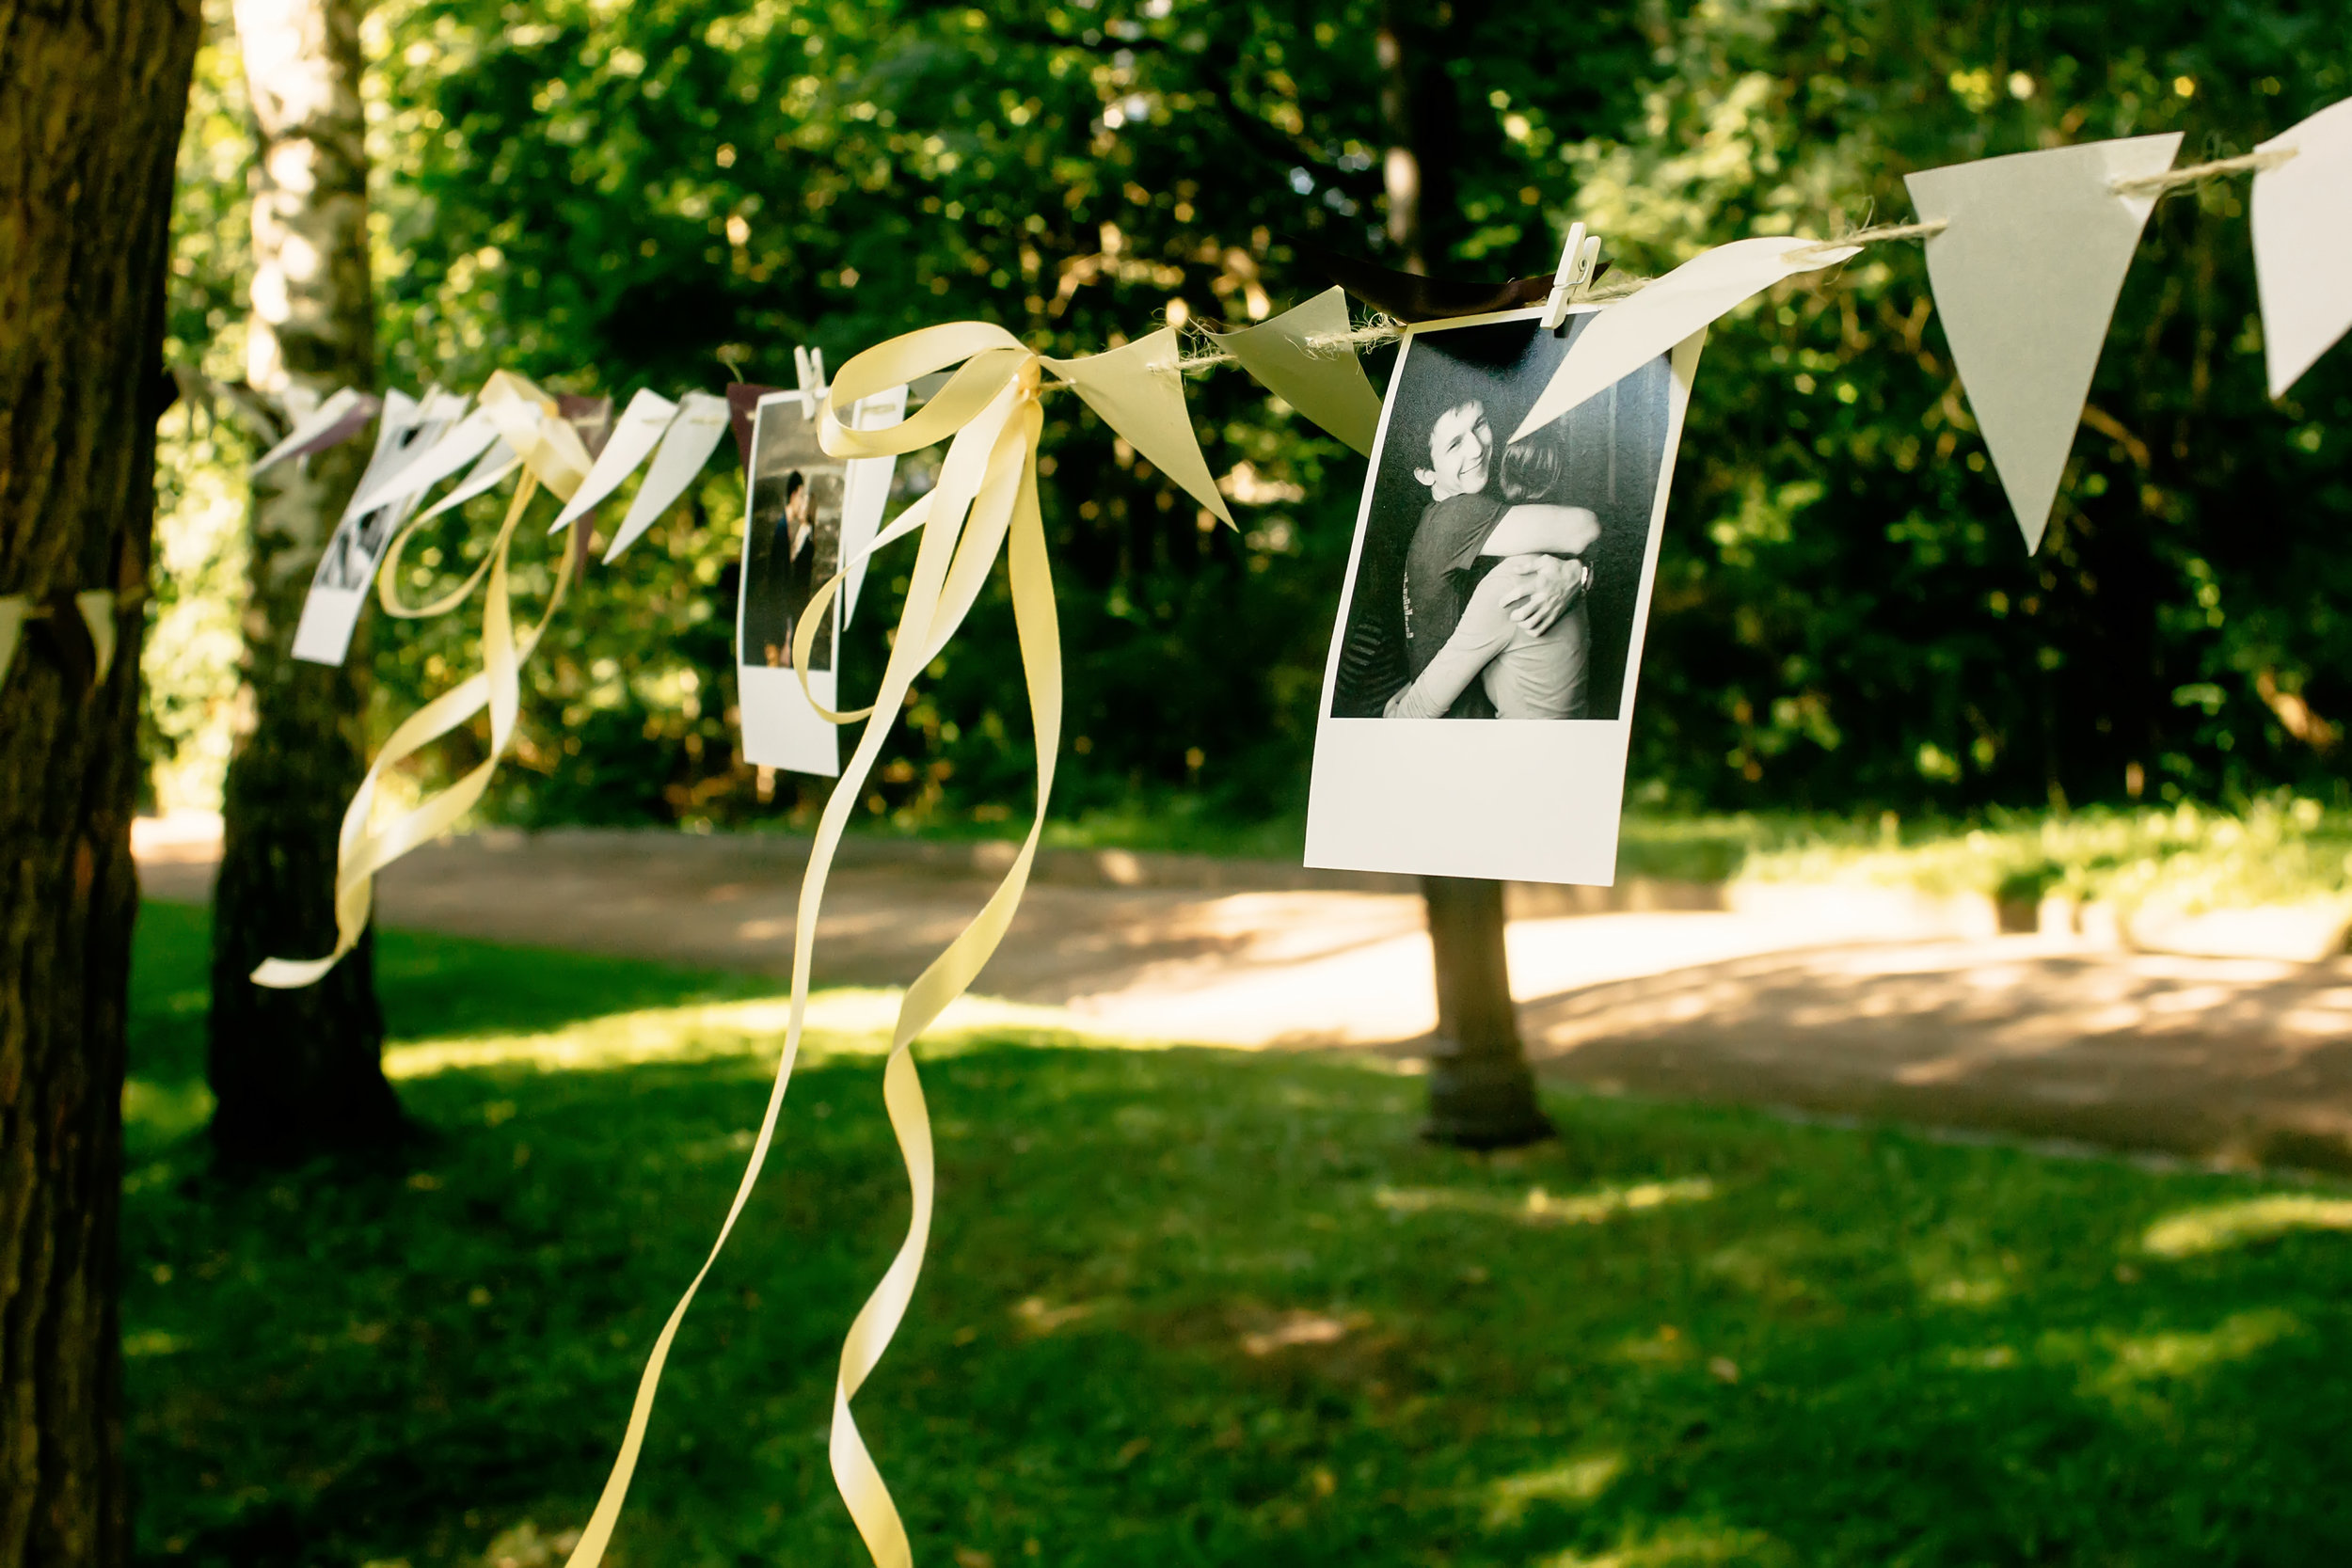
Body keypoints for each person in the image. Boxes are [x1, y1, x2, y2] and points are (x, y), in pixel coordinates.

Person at [1384, 401, 1597, 719]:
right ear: (1426, 474)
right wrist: (1577, 572)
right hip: (1458, 727)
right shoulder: (1459, 516)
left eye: (1479, 424)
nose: (1476, 448)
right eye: (1454, 444)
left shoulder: (1434, 519)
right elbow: (1584, 528)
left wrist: (1575, 572)